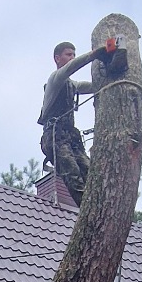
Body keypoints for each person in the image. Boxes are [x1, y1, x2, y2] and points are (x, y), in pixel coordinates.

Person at [39, 39, 103, 205]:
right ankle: (87, 210)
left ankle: (99, 206)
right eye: (68, 55)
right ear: (57, 58)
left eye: (74, 55)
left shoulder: (72, 85)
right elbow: (71, 68)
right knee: (73, 176)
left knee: (91, 172)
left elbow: (92, 87)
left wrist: (108, 79)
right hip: (55, 137)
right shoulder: (55, 79)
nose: (72, 58)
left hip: (71, 138)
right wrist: (94, 55)